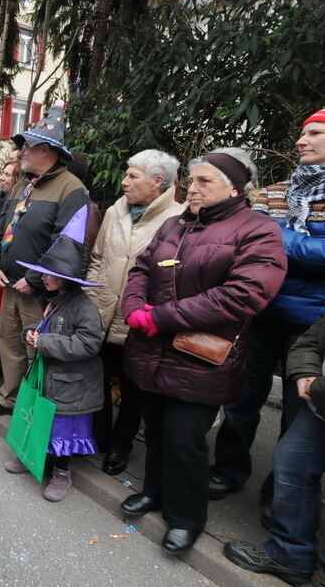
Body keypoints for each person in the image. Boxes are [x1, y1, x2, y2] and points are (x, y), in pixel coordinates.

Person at [118, 147, 287, 555]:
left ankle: (186, 518)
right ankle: (153, 493)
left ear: (233, 187)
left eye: (204, 181)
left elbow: (244, 295)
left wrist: (162, 316)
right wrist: (134, 308)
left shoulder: (258, 230)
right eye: (191, 180)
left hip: (200, 357)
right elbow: (142, 268)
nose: (192, 189)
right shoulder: (175, 224)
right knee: (155, 430)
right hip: (151, 348)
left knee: (186, 440)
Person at [210, 110, 325, 505]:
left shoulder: (272, 208)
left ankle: (280, 494)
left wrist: (276, 236)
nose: (300, 141)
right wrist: (288, 243)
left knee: (297, 415)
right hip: (260, 312)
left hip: (312, 325)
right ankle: (226, 471)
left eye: (314, 133)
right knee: (240, 399)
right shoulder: (274, 191)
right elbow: (247, 243)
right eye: (302, 133)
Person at [0, 102, 90, 416]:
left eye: (25, 148)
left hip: (38, 291)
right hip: (8, 284)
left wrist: (32, 280)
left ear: (45, 150)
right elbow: (1, 228)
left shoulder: (72, 189)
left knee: (35, 349)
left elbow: (66, 243)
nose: (20, 155)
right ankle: (9, 398)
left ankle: (31, 409)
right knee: (10, 345)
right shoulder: (22, 185)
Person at [84, 149, 184, 476]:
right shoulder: (116, 210)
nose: (124, 181)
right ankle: (96, 437)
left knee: (133, 390)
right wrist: (90, 296)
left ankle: (120, 446)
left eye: (132, 176)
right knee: (96, 377)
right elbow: (98, 258)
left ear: (158, 181)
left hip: (140, 321)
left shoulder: (178, 219)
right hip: (101, 311)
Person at [223, 314, 325, 587]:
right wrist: (306, 372)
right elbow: (313, 337)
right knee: (292, 461)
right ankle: (290, 554)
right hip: (319, 399)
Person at [13, 204, 104, 502]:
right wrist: (33, 330)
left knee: (63, 432)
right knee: (40, 421)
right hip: (51, 380)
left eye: (49, 274)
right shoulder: (57, 299)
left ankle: (61, 473)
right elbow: (48, 325)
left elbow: (89, 344)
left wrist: (45, 343)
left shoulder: (84, 307)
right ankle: (31, 457)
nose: (44, 279)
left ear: (65, 277)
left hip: (71, 386)